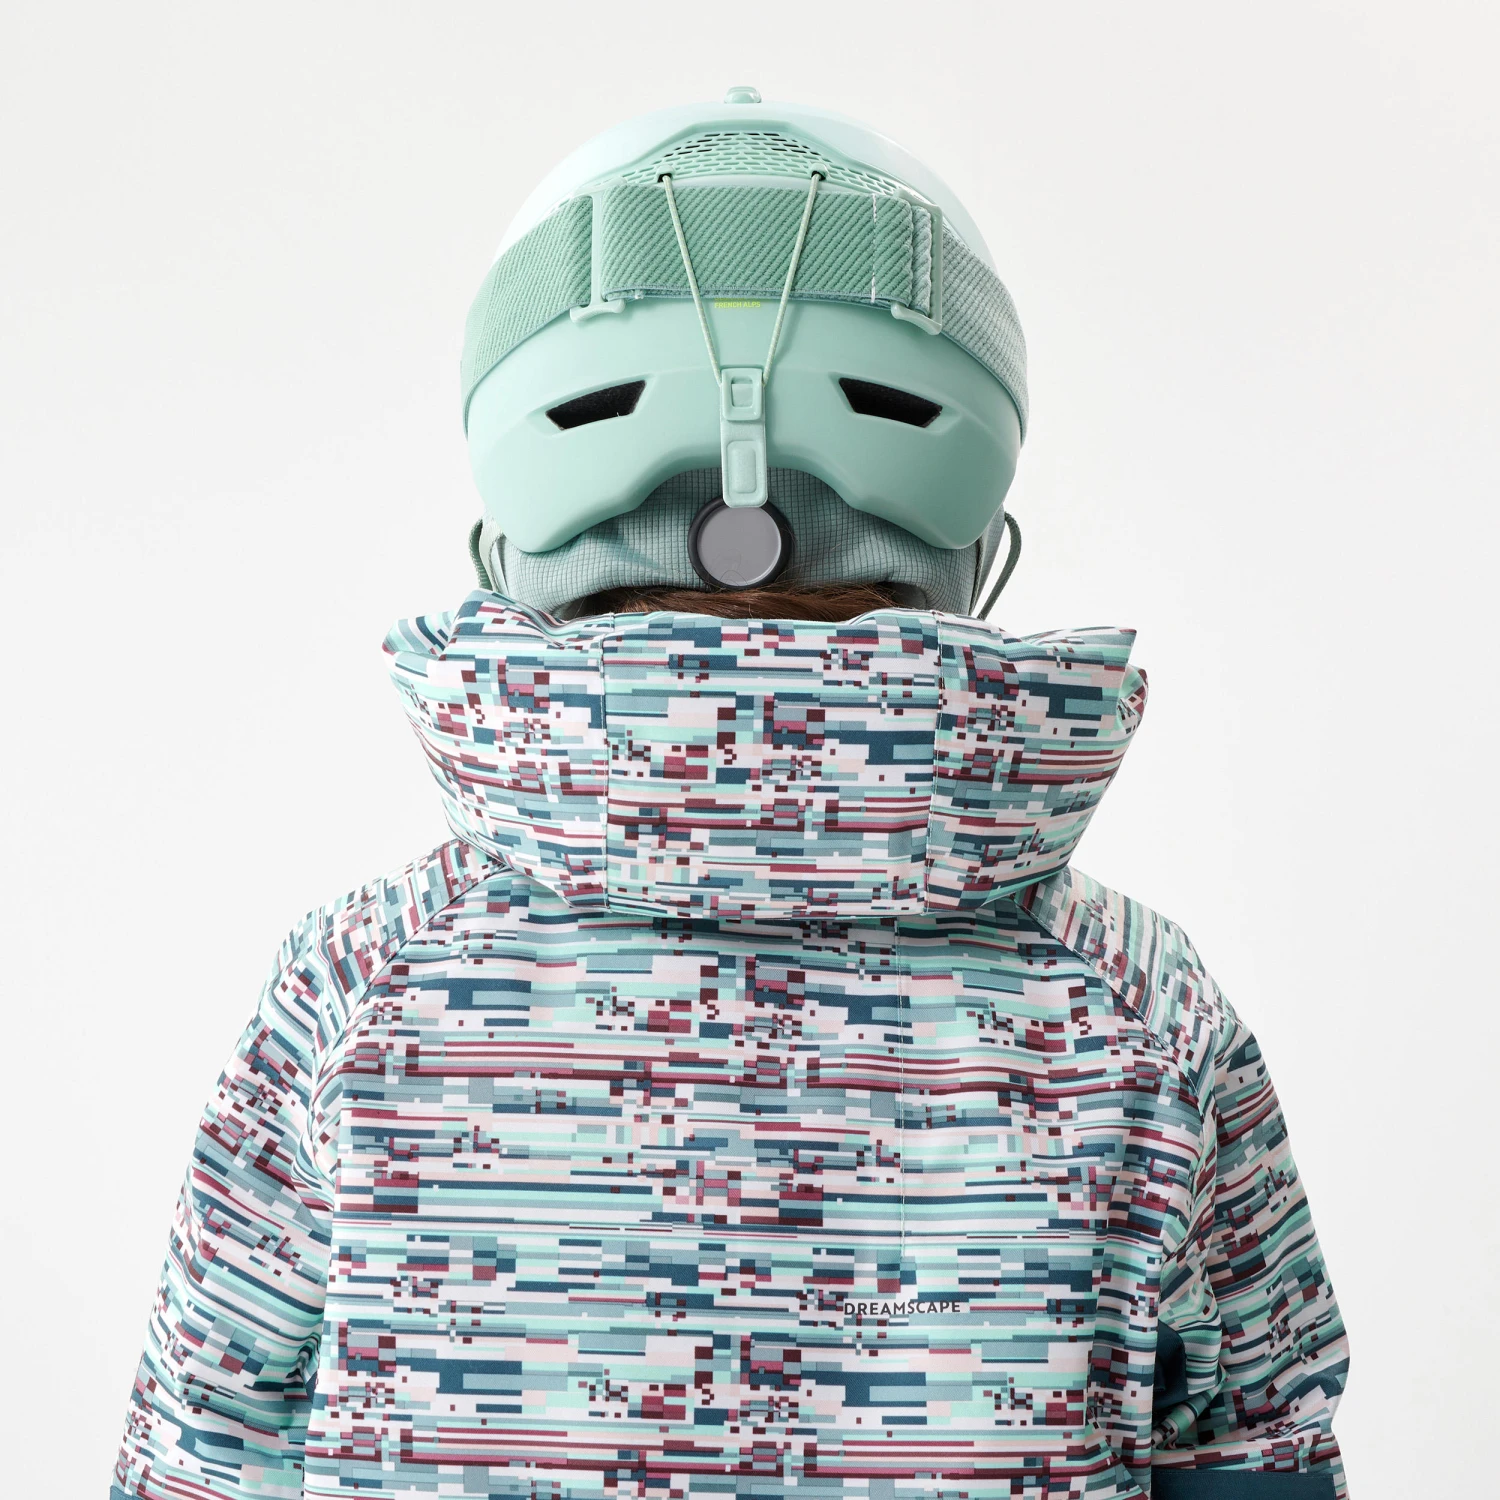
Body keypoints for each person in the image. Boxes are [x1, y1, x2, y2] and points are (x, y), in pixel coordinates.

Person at [112, 90, 1349, 1500]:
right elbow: (1261, 1462)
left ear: (516, 526)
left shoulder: (355, 987)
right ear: (966, 530)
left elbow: (199, 1456)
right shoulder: (1140, 1009)